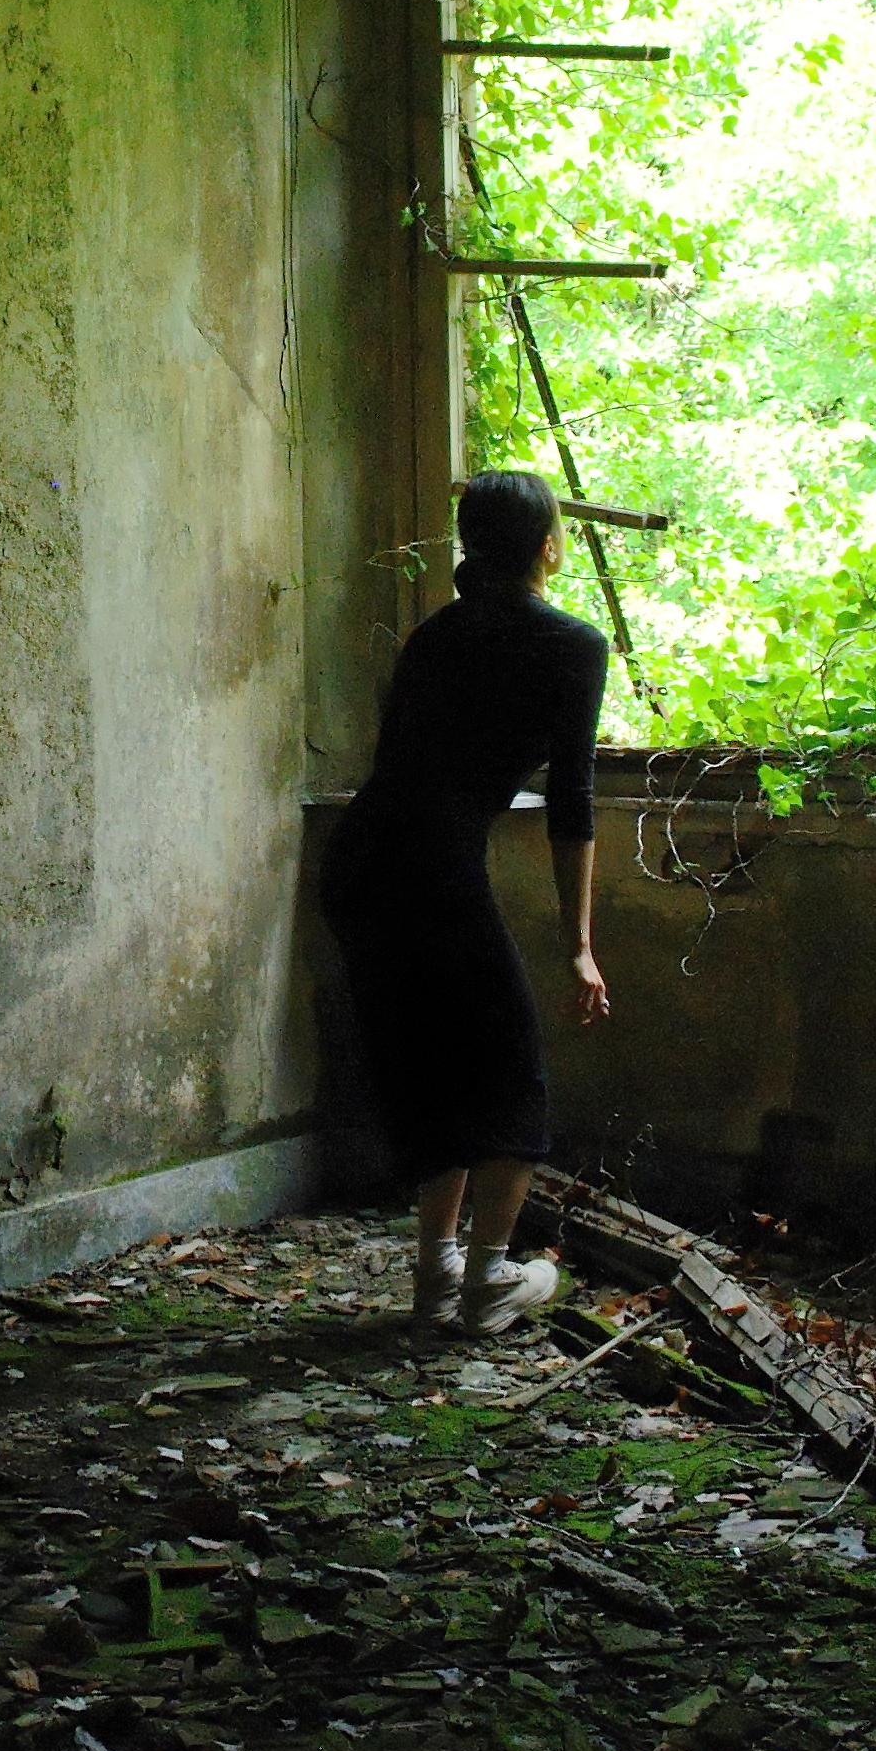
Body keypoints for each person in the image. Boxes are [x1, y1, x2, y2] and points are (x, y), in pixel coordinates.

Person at [318, 466, 612, 1342]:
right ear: (549, 549)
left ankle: (436, 1270)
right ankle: (488, 1278)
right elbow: (573, 805)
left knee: (434, 1063)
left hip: (361, 865)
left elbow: (414, 771)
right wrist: (580, 947)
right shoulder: (575, 646)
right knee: (508, 1064)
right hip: (431, 869)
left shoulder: (434, 636)